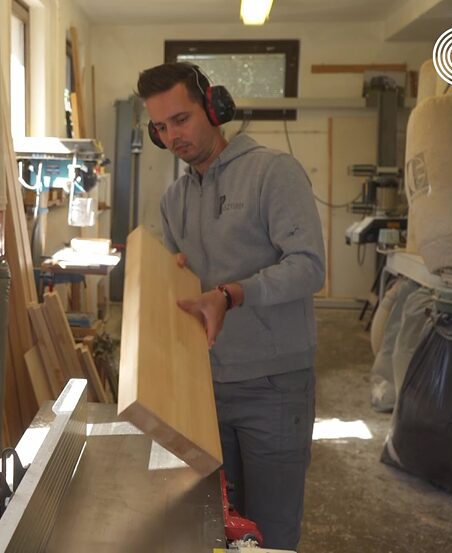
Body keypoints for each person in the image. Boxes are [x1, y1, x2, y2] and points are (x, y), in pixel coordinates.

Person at [136, 62, 325, 550]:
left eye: (181, 119)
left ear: (214, 108)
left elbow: (309, 266)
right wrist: (166, 276)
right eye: (160, 127)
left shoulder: (272, 172)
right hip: (202, 388)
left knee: (270, 533)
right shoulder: (174, 200)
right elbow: (182, 289)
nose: (172, 136)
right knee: (214, 528)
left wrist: (231, 294)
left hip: (273, 387)